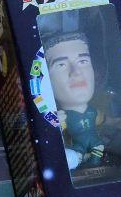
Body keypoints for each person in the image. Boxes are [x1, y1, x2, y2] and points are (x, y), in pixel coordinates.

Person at [43, 30, 104, 170]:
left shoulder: (93, 111)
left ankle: (90, 160)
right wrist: (53, 124)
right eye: (61, 65)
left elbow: (104, 119)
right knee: (75, 156)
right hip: (76, 147)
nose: (76, 72)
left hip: (96, 143)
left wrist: (117, 122)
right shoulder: (63, 116)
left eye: (83, 61)